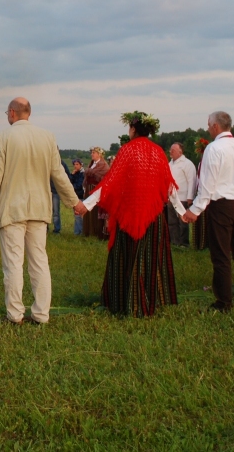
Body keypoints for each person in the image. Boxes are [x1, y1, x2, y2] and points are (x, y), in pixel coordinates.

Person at [0, 97, 83, 325]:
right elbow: (59, 174)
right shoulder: (47, 137)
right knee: (39, 262)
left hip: (11, 209)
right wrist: (74, 202)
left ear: (12, 113)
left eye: (7, 113)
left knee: (13, 264)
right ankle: (41, 314)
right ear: (29, 113)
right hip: (39, 208)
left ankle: (15, 315)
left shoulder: (2, 138)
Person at [83, 112, 182, 317]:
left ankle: (124, 300)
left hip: (128, 215)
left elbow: (109, 183)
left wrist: (86, 204)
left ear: (134, 129)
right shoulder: (158, 152)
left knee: (125, 256)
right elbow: (168, 187)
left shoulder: (127, 150)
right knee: (150, 258)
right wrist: (182, 211)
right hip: (153, 217)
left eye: (129, 128)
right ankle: (151, 298)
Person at [182, 111, 234, 312]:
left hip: (222, 205)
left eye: (208, 125)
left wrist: (195, 209)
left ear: (215, 126)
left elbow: (208, 184)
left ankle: (224, 301)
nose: (208, 129)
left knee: (221, 255)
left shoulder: (214, 148)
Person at [167, 143, 197, 247]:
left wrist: (190, 197)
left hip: (183, 197)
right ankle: (174, 241)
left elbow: (192, 181)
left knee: (183, 221)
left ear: (180, 152)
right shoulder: (169, 164)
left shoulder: (187, 164)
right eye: (170, 150)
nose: (170, 152)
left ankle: (184, 243)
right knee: (172, 221)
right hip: (171, 197)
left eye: (173, 150)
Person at [82, 147, 110, 237]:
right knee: (88, 209)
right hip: (89, 189)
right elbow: (89, 173)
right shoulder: (92, 164)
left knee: (95, 210)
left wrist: (89, 171)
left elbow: (103, 175)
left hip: (97, 190)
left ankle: (95, 231)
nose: (92, 154)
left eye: (94, 153)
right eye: (92, 152)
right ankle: (88, 230)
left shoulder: (103, 165)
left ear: (99, 154)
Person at [190, 138, 210, 250]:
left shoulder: (207, 162)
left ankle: (206, 243)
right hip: (199, 192)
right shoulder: (201, 163)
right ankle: (200, 243)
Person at [50, 153, 72, 234]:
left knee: (56, 212)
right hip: (46, 190)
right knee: (46, 211)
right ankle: (45, 229)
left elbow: (67, 176)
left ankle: (57, 230)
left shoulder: (61, 163)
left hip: (55, 191)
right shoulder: (46, 161)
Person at [69, 159, 86, 235]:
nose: (75, 166)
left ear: (81, 165)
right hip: (75, 196)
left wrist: (71, 187)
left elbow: (79, 185)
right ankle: (77, 232)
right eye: (74, 164)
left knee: (79, 215)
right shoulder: (75, 173)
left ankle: (82, 231)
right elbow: (69, 182)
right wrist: (72, 175)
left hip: (81, 195)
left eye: (77, 164)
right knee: (76, 215)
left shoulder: (83, 174)